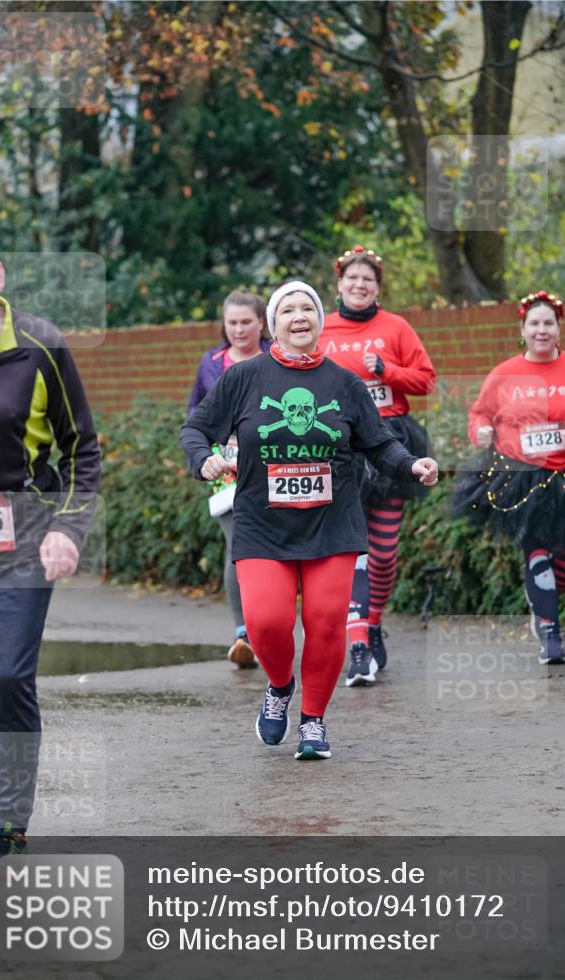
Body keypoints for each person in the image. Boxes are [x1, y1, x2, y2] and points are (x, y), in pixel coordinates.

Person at [180, 279, 438, 760]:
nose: (299, 316)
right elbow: (195, 428)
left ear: (319, 320)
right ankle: (280, 685)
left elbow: (379, 442)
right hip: (262, 522)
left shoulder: (344, 383)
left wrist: (410, 465)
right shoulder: (245, 378)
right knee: (265, 623)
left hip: (332, 524)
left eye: (307, 309)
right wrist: (203, 459)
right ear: (273, 324)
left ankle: (314, 720)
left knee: (324, 624)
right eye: (288, 310)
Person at [0, 228, 100, 879]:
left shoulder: (40, 346)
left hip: (24, 538)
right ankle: (23, 740)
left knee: (10, 676)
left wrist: (68, 529)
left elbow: (81, 448)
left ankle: (9, 828)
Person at [451, 289, 565, 664]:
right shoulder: (504, 373)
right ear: (522, 329)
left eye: (549, 323)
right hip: (521, 475)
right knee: (537, 552)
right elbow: (479, 414)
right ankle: (550, 632)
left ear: (559, 329)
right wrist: (480, 432)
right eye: (534, 324)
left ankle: (543, 599)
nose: (542, 330)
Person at [319, 246, 436, 686]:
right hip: (339, 448)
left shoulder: (396, 327)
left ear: (378, 287)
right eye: (352, 278)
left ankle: (372, 621)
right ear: (339, 284)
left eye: (367, 279)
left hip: (389, 442)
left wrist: (387, 370)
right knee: (354, 551)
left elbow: (425, 380)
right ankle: (358, 646)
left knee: (383, 554)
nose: (359, 284)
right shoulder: (322, 329)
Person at [188, 289, 270, 668]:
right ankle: (244, 634)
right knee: (238, 545)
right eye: (232, 322)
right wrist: (204, 456)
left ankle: (270, 625)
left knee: (274, 549)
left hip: (274, 467)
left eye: (246, 322)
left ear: (261, 323)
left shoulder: (276, 356)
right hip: (228, 469)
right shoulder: (211, 363)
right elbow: (195, 416)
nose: (239, 329)